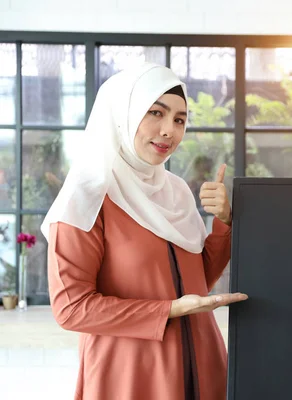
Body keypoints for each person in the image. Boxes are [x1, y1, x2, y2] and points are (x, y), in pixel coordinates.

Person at [41, 63, 247, 400]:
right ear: (123, 114)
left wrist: (224, 219)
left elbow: (196, 280)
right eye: (155, 113)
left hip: (203, 361)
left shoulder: (176, 191)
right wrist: (170, 310)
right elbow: (71, 308)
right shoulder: (88, 196)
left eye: (179, 120)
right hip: (130, 374)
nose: (169, 130)